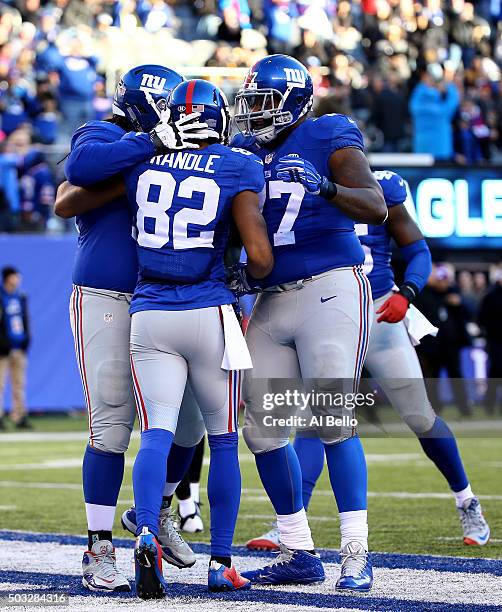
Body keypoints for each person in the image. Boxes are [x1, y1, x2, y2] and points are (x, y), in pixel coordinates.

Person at [248, 170, 490, 551]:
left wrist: (407, 293)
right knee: (318, 418)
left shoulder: (378, 188)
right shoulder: (299, 181)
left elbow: (417, 250)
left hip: (377, 311)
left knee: (419, 416)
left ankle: (467, 501)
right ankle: (293, 523)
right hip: (324, 311)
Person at [232, 54, 386, 592]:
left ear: (297, 100)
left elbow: (374, 205)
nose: (254, 114)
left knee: (332, 418)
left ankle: (356, 553)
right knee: (262, 429)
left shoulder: (329, 134)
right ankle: (298, 547)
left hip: (330, 289)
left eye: (264, 103)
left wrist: (326, 188)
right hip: (271, 299)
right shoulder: (247, 149)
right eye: (249, 103)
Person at [56, 64, 209, 592]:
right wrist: (150, 142)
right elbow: (80, 169)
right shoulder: (106, 132)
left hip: (164, 297)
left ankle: (161, 511)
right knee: (112, 424)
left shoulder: (188, 147)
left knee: (191, 421)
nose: (178, 117)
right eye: (167, 108)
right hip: (105, 292)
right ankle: (98, 548)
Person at [123, 78, 273, 599]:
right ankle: (221, 562)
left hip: (149, 313)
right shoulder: (236, 164)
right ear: (219, 119)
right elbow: (260, 257)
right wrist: (243, 279)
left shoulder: (141, 161)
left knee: (156, 432)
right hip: (209, 310)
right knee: (225, 437)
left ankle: (146, 532)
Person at [0, 266, 31, 430]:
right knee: (0, 384)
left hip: (18, 347)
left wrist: (26, 340)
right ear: (7, 277)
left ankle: (19, 416)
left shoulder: (20, 296)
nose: (17, 279)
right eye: (14, 276)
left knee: (19, 384)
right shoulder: (1, 296)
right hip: (3, 349)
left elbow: (25, 319)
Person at [478, 266, 502, 414]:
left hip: (495, 340)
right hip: (495, 342)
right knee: (495, 373)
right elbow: (482, 319)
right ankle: (490, 405)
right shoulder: (490, 297)